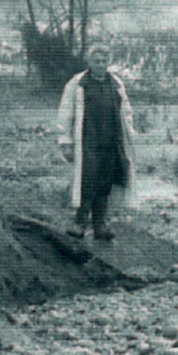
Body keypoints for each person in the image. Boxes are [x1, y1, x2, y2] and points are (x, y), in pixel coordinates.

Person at [56, 46, 136, 241]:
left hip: (110, 141)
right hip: (87, 142)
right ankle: (80, 222)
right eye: (97, 61)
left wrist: (130, 135)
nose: (101, 65)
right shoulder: (78, 83)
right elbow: (65, 113)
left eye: (104, 61)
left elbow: (126, 111)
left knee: (105, 181)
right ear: (89, 61)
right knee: (87, 180)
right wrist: (65, 141)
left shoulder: (115, 83)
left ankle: (100, 224)